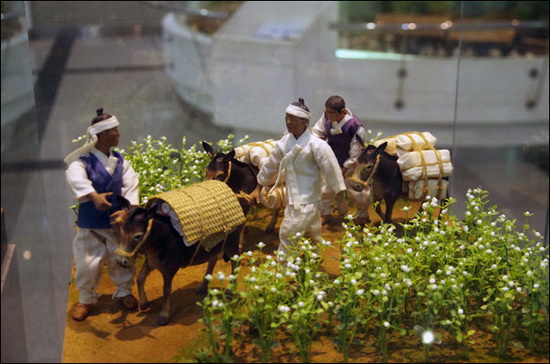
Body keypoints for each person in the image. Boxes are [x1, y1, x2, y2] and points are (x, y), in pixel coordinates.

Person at [64, 108, 139, 321]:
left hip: (117, 224)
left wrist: (127, 211)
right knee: (87, 263)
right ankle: (86, 298)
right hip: (91, 225)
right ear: (104, 134)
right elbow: (76, 178)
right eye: (115, 130)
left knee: (121, 259)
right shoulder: (83, 162)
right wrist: (93, 196)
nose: (119, 133)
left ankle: (124, 290)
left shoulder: (121, 162)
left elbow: (131, 185)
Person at [253, 98, 347, 259]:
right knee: (313, 236)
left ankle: (284, 271)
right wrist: (258, 187)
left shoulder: (317, 145)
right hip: (294, 199)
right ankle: (314, 261)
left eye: (294, 119)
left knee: (287, 234)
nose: (289, 122)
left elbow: (332, 169)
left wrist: (340, 197)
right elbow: (270, 165)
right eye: (287, 118)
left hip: (308, 201)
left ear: (304, 122)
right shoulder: (284, 143)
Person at [312, 95, 370, 225]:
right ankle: (325, 212)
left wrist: (346, 167)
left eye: (332, 112)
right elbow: (317, 131)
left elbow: (356, 152)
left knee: (356, 188)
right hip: (331, 158)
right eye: (327, 111)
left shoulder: (355, 126)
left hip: (352, 163)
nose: (329, 115)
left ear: (343, 111)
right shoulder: (326, 116)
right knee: (326, 187)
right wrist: (318, 140)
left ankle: (362, 214)